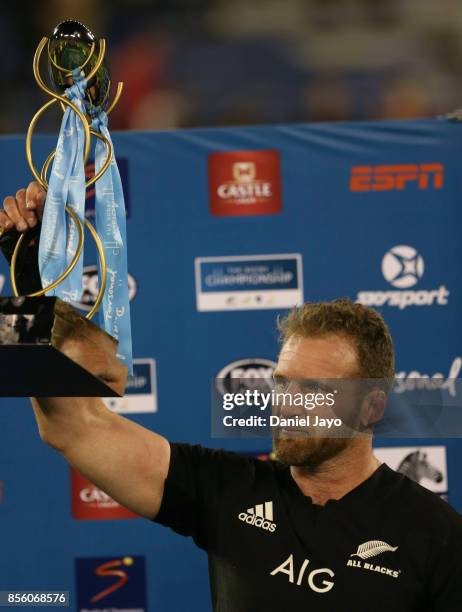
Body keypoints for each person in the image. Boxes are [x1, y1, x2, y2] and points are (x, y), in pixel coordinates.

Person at [1, 182, 462, 612]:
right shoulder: (227, 490)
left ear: (372, 406)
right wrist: (28, 281)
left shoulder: (437, 535)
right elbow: (71, 424)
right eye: (283, 384)